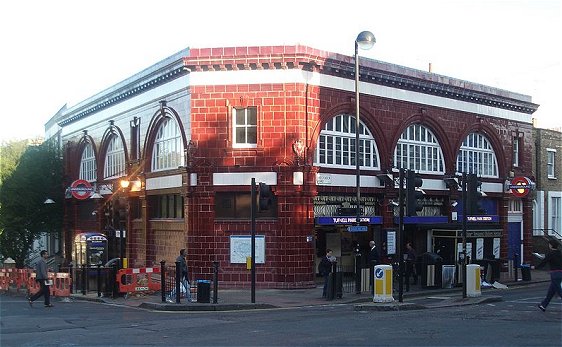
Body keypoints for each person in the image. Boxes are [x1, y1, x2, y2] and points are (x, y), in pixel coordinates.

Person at [536, 239, 562, 312]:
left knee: (559, 291)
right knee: (551, 291)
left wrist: (535, 267)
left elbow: (544, 262)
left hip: (554, 274)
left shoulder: (551, 253)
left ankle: (543, 305)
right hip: (560, 273)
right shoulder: (560, 253)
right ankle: (543, 305)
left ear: (551, 245)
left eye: (549, 244)